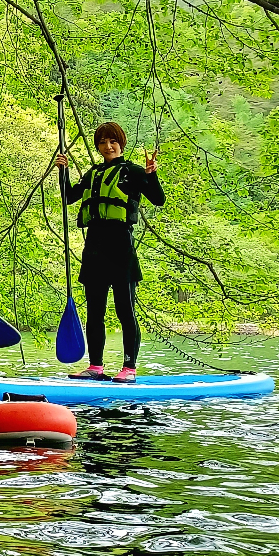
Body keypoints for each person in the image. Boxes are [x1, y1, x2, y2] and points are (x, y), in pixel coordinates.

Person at [55, 122, 164, 384]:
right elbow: (69, 197)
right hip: (94, 248)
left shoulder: (133, 172)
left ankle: (129, 368)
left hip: (121, 247)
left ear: (121, 144)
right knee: (95, 311)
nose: (108, 146)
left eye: (113, 141)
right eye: (103, 142)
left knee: (125, 310)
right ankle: (96, 367)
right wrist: (63, 171)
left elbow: (158, 199)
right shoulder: (93, 174)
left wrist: (152, 174)